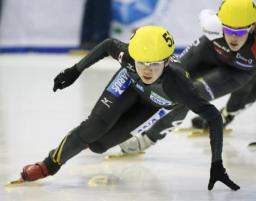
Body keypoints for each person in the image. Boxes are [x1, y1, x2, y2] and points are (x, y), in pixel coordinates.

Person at [18, 25, 239, 190]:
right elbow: (107, 45)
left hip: (152, 104)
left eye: (154, 64)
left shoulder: (180, 86)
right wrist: (75, 71)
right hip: (127, 85)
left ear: (168, 61)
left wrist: (217, 163)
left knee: (98, 145)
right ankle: (49, 164)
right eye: (142, 63)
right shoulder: (131, 58)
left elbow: (213, 117)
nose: (147, 70)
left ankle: (84, 142)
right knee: (93, 128)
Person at [119, 0, 256, 155]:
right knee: (164, 78)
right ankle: (122, 117)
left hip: (237, 72)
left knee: (189, 97)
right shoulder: (210, 23)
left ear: (252, 26)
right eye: (227, 29)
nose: (233, 37)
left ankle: (148, 139)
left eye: (239, 32)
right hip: (208, 53)